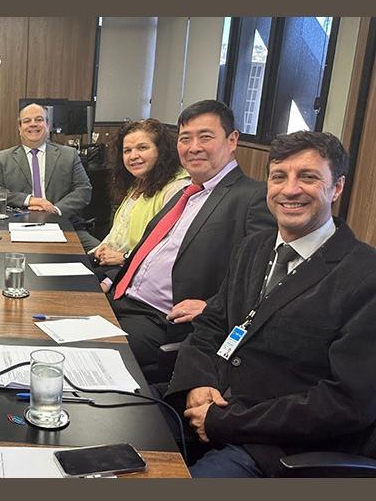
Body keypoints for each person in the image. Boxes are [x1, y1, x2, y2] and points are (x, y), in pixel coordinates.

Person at [165, 130, 376, 477]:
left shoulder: (365, 275)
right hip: (210, 409)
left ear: (336, 187)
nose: (290, 189)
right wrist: (196, 384)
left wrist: (228, 422)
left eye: (308, 177)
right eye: (279, 177)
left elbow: (346, 402)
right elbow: (212, 325)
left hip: (275, 447)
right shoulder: (255, 247)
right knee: (119, 425)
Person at [109, 100, 274, 383]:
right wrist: (111, 278)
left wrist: (213, 308)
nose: (193, 147)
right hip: (123, 301)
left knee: (77, 353)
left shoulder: (253, 197)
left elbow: (264, 275)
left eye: (205, 137)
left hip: (163, 320)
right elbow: (147, 251)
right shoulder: (184, 192)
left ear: (232, 140)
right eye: (185, 139)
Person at [89, 119, 190, 292]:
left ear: (161, 151)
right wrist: (101, 249)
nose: (133, 156)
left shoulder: (176, 189)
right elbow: (119, 232)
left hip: (136, 278)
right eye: (127, 150)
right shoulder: (139, 182)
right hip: (113, 266)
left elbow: (168, 250)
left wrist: (123, 258)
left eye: (142, 148)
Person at [0, 103, 94, 249]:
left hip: (65, 226)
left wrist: (55, 209)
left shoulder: (69, 155)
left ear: (47, 125)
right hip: (17, 227)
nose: (33, 124)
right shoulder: (3, 158)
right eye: (27, 121)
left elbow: (84, 190)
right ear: (19, 128)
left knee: (100, 256)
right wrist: (30, 200)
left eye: (39, 119)